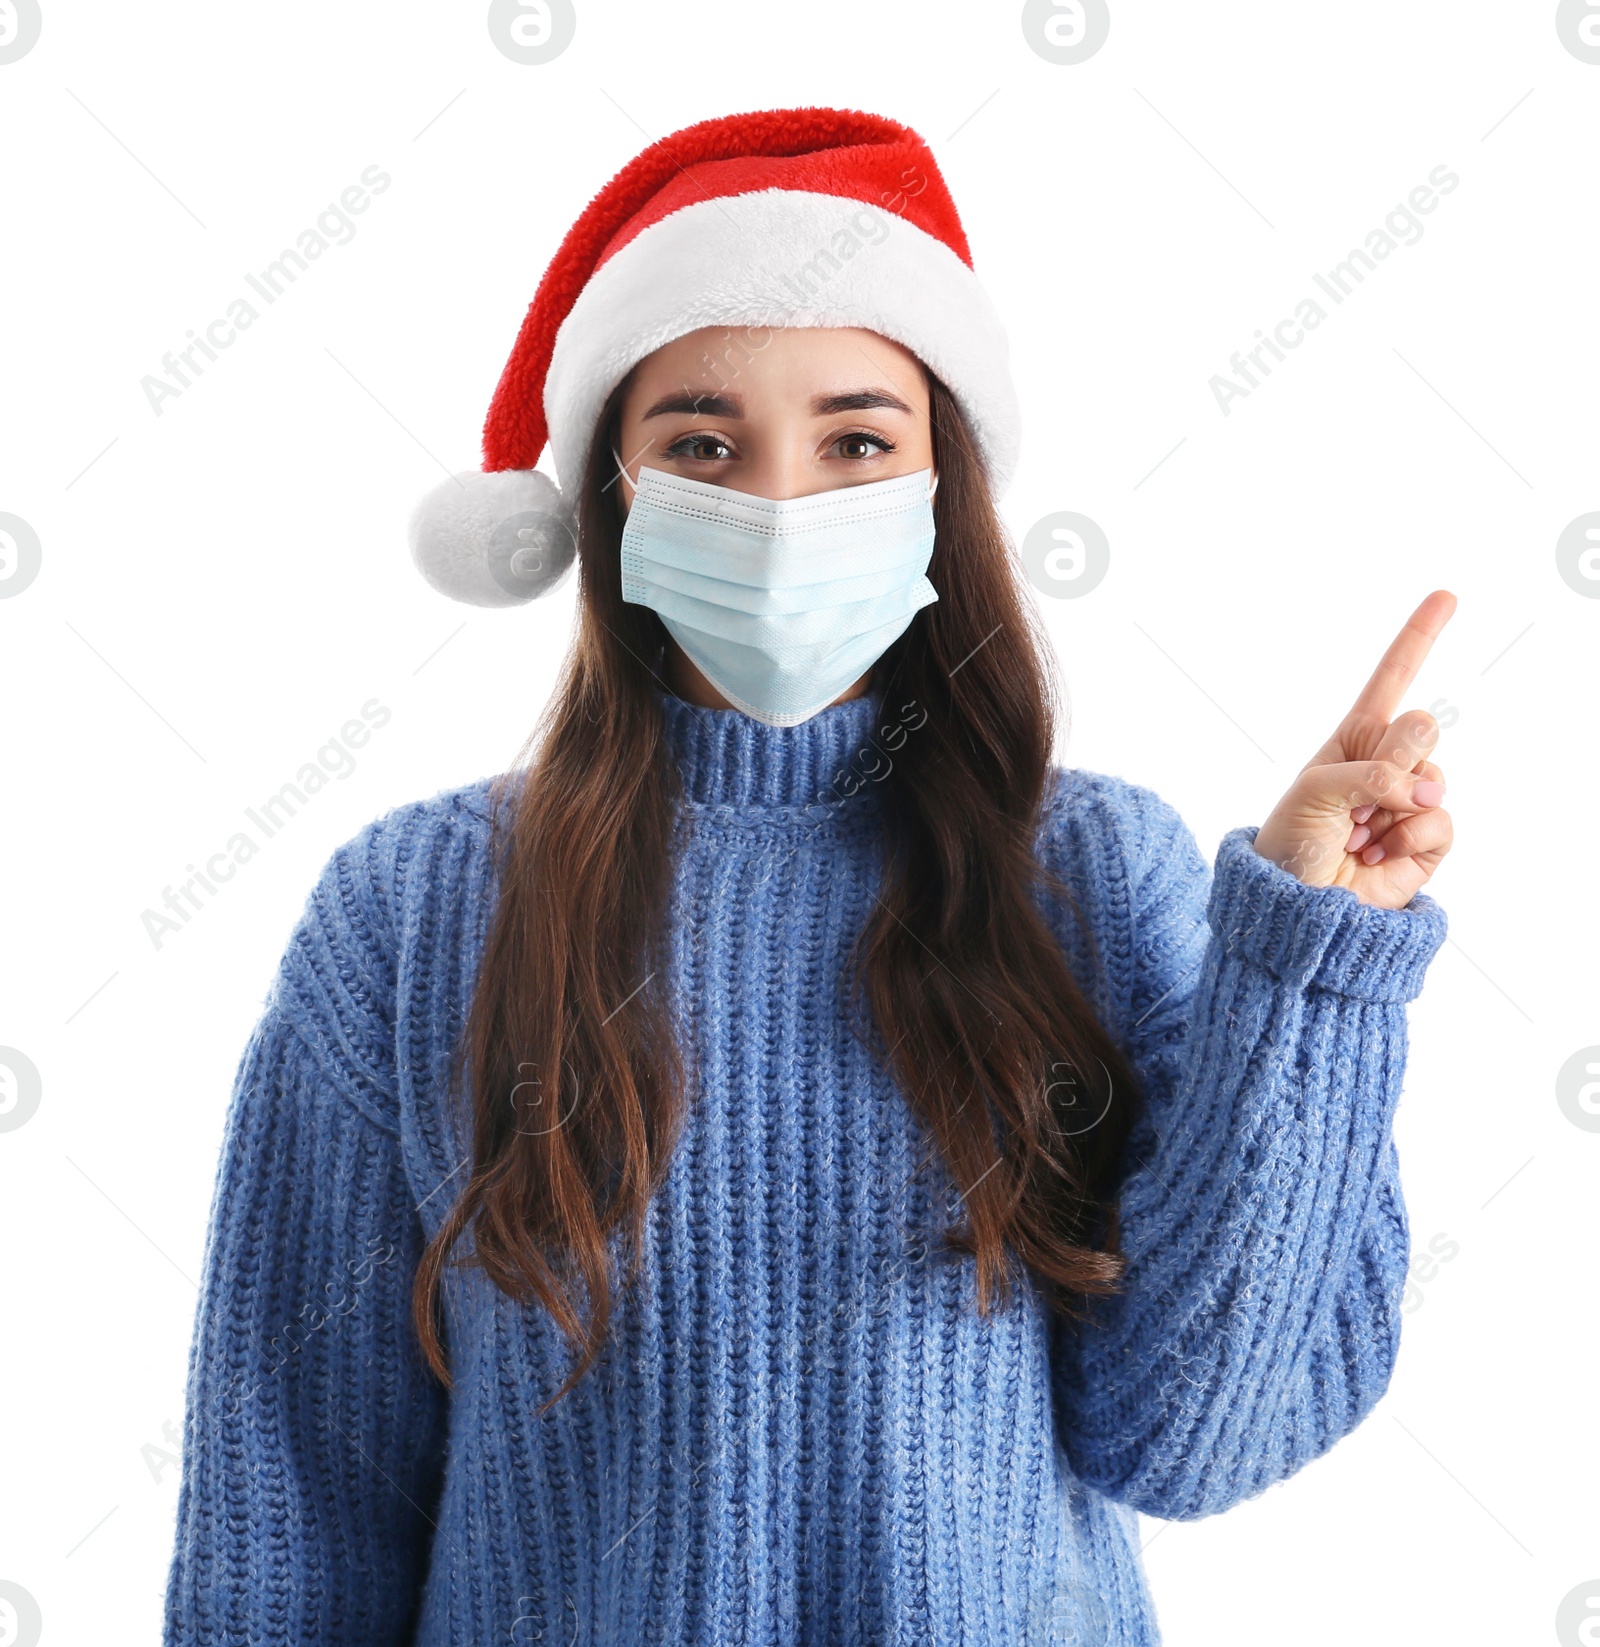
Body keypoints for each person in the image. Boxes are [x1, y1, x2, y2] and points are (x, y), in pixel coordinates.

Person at [161, 106, 1454, 1647]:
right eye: (702, 444)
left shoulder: (1096, 874)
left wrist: (1305, 965)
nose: (780, 505)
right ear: (615, 496)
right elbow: (293, 1487)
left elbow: (1195, 1439)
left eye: (857, 440)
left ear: (940, 486)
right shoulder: (415, 908)